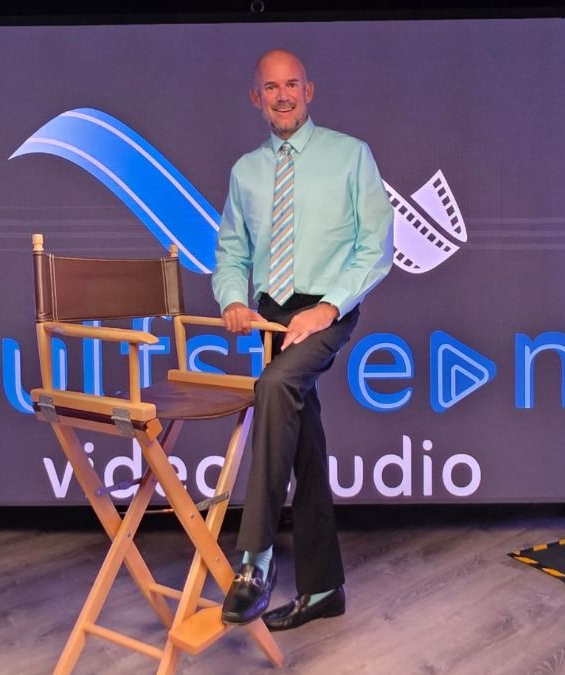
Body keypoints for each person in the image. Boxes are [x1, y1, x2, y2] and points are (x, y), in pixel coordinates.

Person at [213, 48, 393, 631]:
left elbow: (376, 249)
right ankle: (324, 589)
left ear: (309, 91)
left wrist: (326, 308)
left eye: (292, 85)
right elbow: (231, 254)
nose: (283, 95)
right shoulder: (245, 172)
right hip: (270, 315)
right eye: (271, 87)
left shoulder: (351, 156)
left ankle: (254, 562)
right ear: (255, 98)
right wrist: (232, 300)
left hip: (329, 305)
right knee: (304, 445)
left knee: (275, 386)